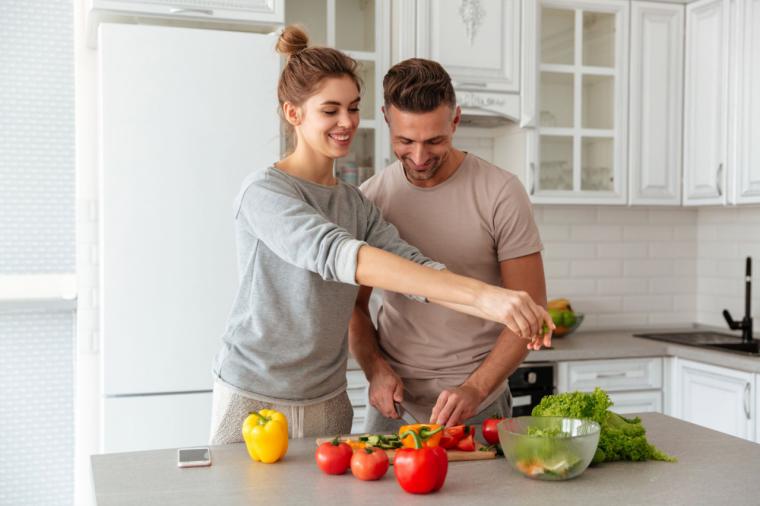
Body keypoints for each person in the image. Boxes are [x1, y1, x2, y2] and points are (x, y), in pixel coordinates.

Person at [208, 27, 552, 445]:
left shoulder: (357, 205)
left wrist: (504, 305)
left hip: (328, 396)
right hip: (255, 392)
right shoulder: (264, 192)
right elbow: (337, 254)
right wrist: (486, 298)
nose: (347, 122)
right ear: (293, 113)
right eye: (330, 110)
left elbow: (417, 270)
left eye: (352, 108)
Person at [350, 58, 549, 432]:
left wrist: (475, 388)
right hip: (393, 406)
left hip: (479, 405)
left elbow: (532, 306)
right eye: (405, 141)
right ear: (386, 120)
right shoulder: (370, 199)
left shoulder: (500, 193)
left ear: (455, 120)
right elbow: (353, 309)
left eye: (435, 140)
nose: (420, 157)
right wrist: (375, 370)